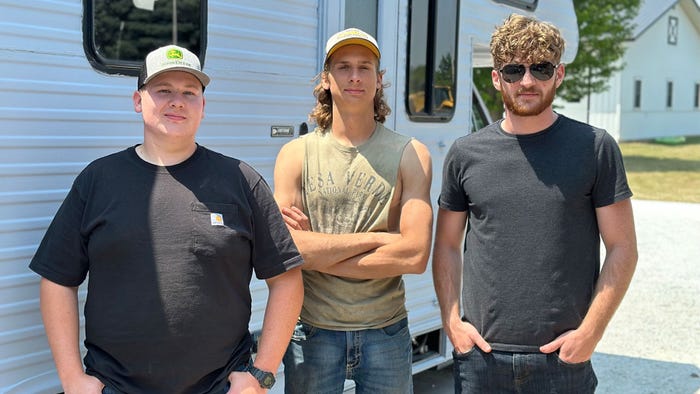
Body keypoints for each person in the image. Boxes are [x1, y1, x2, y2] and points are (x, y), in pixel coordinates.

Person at [29, 44, 303, 394]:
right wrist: (71, 378)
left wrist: (261, 375)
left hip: (218, 387)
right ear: (137, 100)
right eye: (163, 91)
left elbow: (287, 279)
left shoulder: (240, 180)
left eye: (190, 93)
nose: (177, 101)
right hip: (114, 387)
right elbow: (56, 279)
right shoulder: (98, 181)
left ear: (203, 107)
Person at [432, 14, 638, 393]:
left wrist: (590, 334)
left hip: (562, 361)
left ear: (558, 74)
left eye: (540, 69)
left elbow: (623, 248)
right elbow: (445, 245)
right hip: (482, 359)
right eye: (514, 70)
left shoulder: (595, 148)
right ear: (496, 78)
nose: (527, 82)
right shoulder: (465, 154)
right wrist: (452, 322)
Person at [273, 28, 433, 394]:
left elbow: (414, 255)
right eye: (343, 67)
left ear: (379, 80)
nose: (355, 76)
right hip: (313, 331)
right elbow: (289, 251)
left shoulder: (411, 154)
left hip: (386, 330)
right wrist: (379, 240)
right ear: (327, 79)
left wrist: (318, 253)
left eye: (365, 67)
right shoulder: (295, 155)